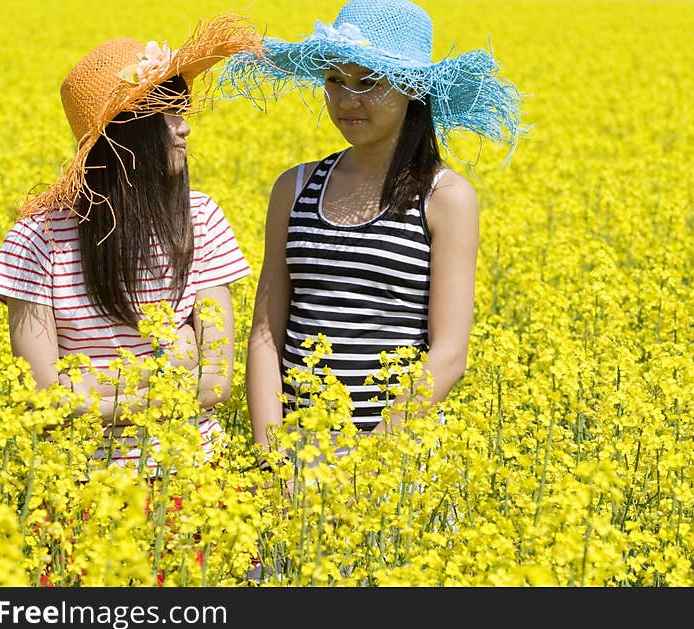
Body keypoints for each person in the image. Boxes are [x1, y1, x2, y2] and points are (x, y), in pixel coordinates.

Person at [223, 0, 526, 465]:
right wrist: (271, 458)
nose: (346, 100)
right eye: (334, 81)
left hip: (394, 463)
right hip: (294, 457)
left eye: (368, 83)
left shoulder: (445, 197)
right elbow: (266, 332)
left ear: (412, 88)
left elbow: (448, 356)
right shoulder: (295, 187)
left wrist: (366, 469)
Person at [0, 15, 262, 474]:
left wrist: (89, 385)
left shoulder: (202, 219)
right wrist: (169, 369)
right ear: (123, 133)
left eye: (182, 110)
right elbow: (41, 399)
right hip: (81, 489)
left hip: (195, 483)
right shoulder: (37, 238)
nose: (184, 128)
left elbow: (215, 382)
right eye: (165, 115)